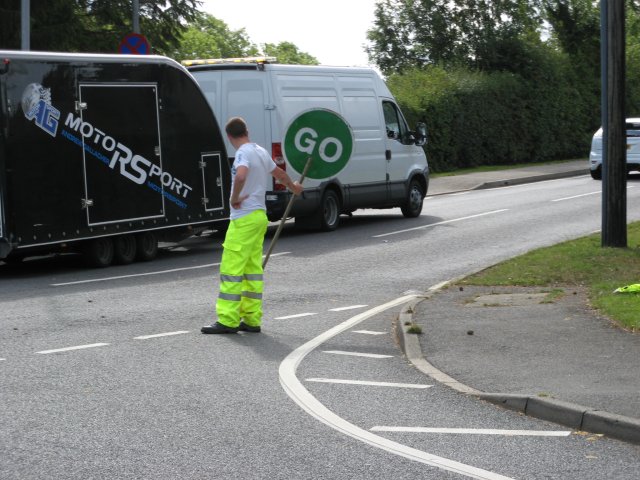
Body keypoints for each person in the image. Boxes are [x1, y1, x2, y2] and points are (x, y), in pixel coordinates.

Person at [202, 117, 303, 334]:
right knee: (252, 270)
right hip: (259, 216)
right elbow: (279, 174)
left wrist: (234, 198)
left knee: (231, 269)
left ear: (229, 137)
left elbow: (240, 175)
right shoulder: (260, 151)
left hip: (243, 218)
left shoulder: (243, 153)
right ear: (246, 130)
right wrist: (293, 187)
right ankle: (251, 319)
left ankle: (228, 320)